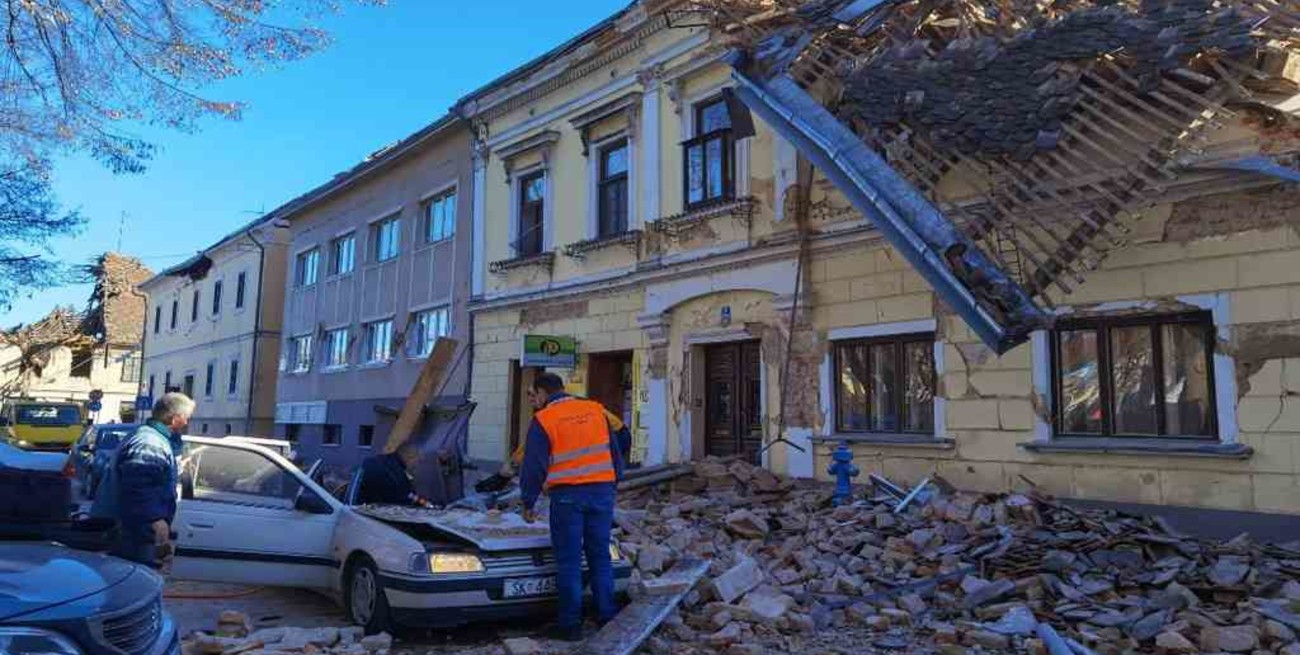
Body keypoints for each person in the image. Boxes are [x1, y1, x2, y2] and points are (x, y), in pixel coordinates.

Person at [519, 373, 624, 642]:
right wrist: (613, 484)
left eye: (535, 396)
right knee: (600, 555)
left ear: (543, 393)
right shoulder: (594, 409)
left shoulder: (544, 419)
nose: (535, 401)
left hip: (567, 496)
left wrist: (528, 501)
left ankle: (570, 625)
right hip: (602, 492)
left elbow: (533, 465)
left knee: (569, 561)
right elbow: (615, 452)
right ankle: (606, 615)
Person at [90, 392, 194, 569]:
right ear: (176, 419)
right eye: (187, 418)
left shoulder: (151, 438)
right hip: (132, 532)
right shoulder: (149, 442)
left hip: (133, 530)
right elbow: (137, 486)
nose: (187, 423)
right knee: (131, 586)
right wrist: (155, 519)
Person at [355, 443, 434, 507]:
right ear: (409, 457)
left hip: (358, 507)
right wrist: (429, 505)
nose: (417, 465)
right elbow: (409, 497)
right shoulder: (396, 473)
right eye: (418, 461)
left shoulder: (381, 461)